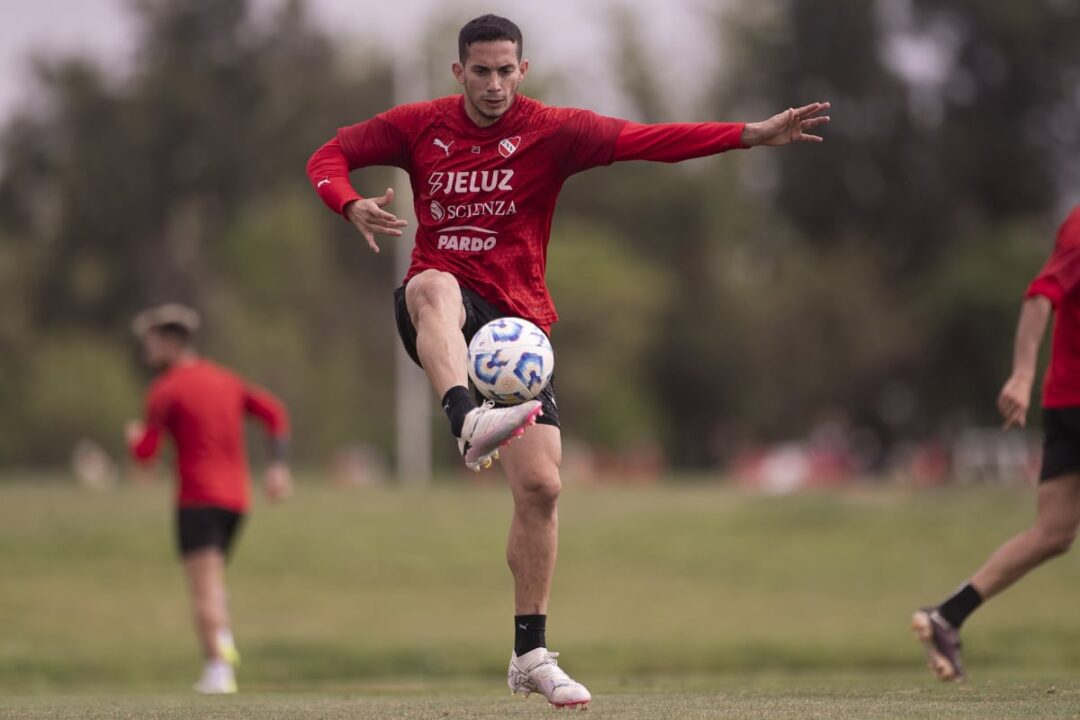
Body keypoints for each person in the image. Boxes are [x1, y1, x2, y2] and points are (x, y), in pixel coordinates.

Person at [306, 14, 829, 708]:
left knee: (543, 491)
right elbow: (328, 156)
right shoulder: (417, 125)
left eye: (506, 70)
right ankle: (463, 417)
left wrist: (752, 134)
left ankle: (530, 655)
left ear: (523, 70)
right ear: (458, 73)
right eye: (480, 71)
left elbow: (651, 141)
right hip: (445, 316)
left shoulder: (555, 131)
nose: (494, 84)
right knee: (430, 284)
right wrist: (348, 204)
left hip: (518, 336)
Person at [913, 205, 1080, 681]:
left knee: (1054, 532)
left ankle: (947, 616)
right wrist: (1023, 372)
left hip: (1064, 402)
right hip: (1074, 397)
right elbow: (1039, 297)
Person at [126, 303, 292, 694]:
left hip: (197, 499)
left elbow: (146, 455)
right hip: (237, 500)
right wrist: (277, 466)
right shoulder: (226, 380)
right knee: (214, 582)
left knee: (203, 589)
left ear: (169, 341)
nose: (147, 349)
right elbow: (274, 413)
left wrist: (133, 439)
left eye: (151, 341)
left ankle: (220, 668)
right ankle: (223, 642)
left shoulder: (164, 390)